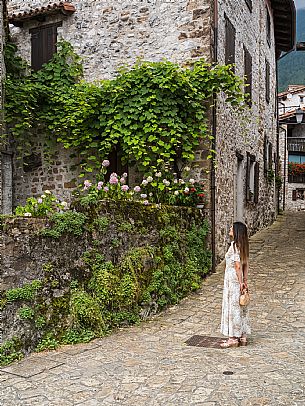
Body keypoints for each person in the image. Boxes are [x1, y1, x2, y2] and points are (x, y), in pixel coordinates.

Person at [220, 221, 251, 348]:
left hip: (232, 279)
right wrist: (245, 281)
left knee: (232, 307)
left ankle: (232, 338)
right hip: (238, 279)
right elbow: (245, 264)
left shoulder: (233, 246)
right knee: (241, 307)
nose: (230, 229)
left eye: (232, 228)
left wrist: (239, 283)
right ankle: (242, 336)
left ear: (237, 231)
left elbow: (238, 266)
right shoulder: (243, 246)